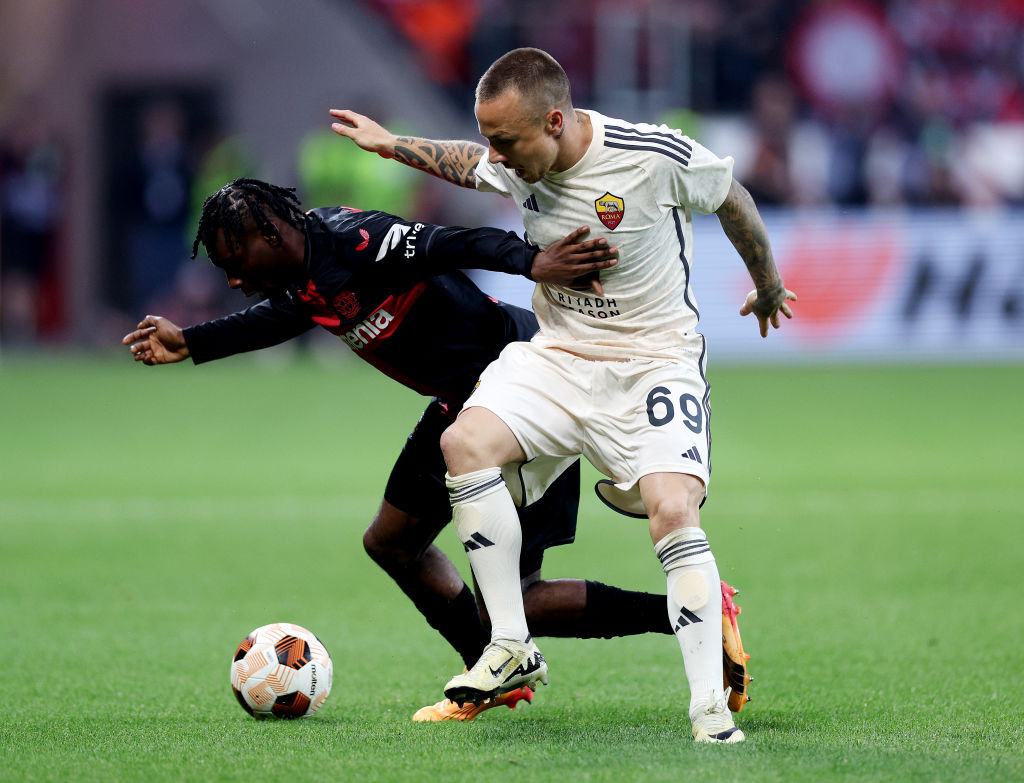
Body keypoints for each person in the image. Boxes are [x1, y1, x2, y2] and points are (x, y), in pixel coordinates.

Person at [121, 177, 744, 722]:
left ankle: (691, 609)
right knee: (390, 543)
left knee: (522, 597)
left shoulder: (357, 241)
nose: (232, 275)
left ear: (273, 233)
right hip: (459, 405)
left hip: (524, 396)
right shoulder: (306, 276)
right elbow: (284, 315)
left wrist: (534, 263)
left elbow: (457, 242)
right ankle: (489, 668)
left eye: (236, 256)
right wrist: (193, 343)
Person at [330, 47, 795, 743]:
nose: (496, 156)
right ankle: (510, 647)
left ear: (554, 121)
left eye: (507, 141)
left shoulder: (651, 155)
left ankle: (709, 711)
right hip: (559, 354)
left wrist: (765, 281)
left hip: (653, 364)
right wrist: (393, 145)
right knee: (465, 443)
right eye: (490, 138)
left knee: (672, 508)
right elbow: (465, 158)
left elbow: (734, 199)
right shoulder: (519, 153)